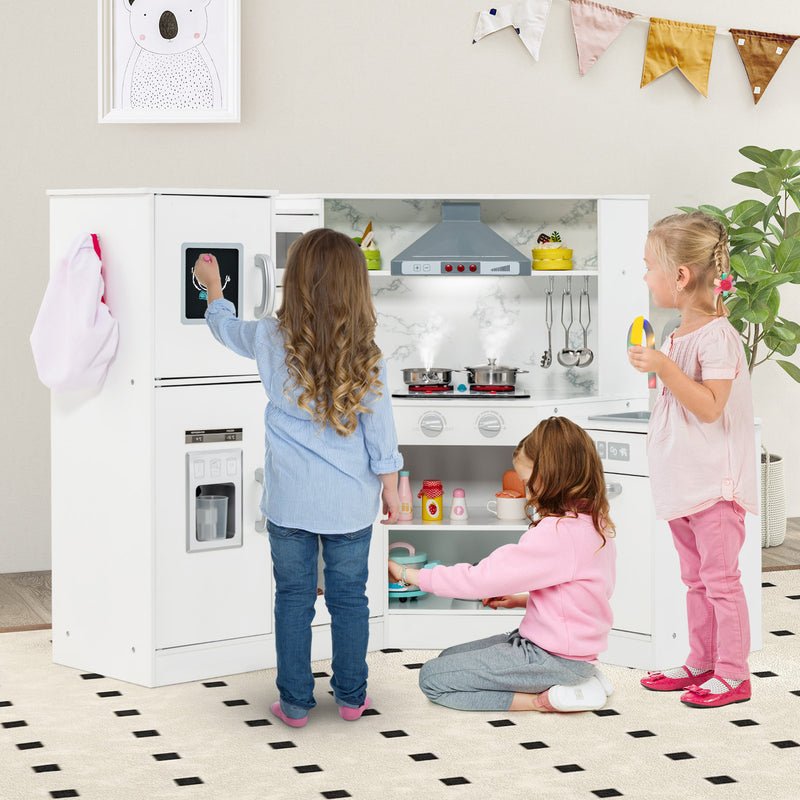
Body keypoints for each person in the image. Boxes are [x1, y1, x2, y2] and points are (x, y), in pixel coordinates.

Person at [194, 228, 402, 727]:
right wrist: (391, 487)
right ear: (357, 287)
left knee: (293, 598)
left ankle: (294, 704)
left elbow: (225, 328)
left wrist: (213, 290)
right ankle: (352, 698)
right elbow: (381, 429)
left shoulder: (269, 337)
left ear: (298, 282)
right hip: (350, 504)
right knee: (351, 599)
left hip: (290, 503)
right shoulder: (366, 352)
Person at [388, 416, 616, 713]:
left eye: (526, 480)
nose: (526, 491)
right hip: (565, 652)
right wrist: (522, 600)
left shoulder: (557, 533)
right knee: (448, 658)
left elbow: (479, 579)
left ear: (551, 475)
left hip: (552, 658)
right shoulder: (594, 523)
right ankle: (584, 677)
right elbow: (585, 594)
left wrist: (408, 574)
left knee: (433, 678)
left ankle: (546, 700)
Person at [628, 211, 757, 708]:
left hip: (714, 489)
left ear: (679, 277)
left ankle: (733, 673)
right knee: (695, 580)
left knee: (721, 582)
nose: (644, 277)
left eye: (648, 267)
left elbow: (710, 406)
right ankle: (703, 661)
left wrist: (662, 365)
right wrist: (659, 364)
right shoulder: (681, 332)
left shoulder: (718, 336)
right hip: (685, 484)